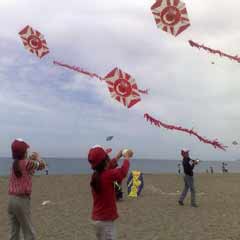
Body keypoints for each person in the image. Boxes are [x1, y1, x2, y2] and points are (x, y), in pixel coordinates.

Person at [88, 145, 133, 240]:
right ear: (105, 161)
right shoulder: (107, 175)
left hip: (97, 219)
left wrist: (118, 156)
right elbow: (123, 172)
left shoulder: (95, 175)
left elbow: (108, 166)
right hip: (106, 221)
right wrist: (127, 158)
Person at [8, 138, 45, 240]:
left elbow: (27, 172)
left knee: (14, 231)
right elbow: (42, 166)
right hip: (22, 200)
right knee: (28, 231)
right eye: (26, 150)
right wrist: (37, 157)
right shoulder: (27, 163)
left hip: (11, 200)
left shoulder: (14, 165)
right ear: (24, 152)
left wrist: (30, 159)